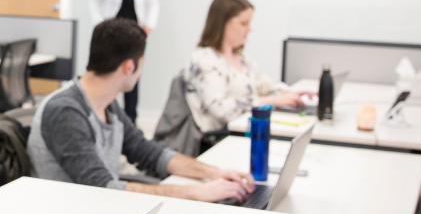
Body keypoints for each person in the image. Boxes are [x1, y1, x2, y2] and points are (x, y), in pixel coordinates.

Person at [28, 18, 255, 203]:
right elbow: (102, 187)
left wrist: (213, 173)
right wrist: (193, 193)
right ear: (129, 66)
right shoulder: (65, 111)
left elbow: (148, 153)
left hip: (99, 209)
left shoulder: (106, 103)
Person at [184, 0, 316, 133]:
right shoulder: (204, 60)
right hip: (219, 136)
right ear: (223, 23)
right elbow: (221, 109)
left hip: (244, 128)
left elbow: (263, 85)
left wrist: (288, 94)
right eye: (243, 23)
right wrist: (274, 100)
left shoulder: (240, 57)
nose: (249, 29)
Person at [88, 0, 158, 125]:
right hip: (112, 34)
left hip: (134, 35)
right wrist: (99, 23)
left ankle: (131, 121)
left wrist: (149, 25)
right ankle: (105, 116)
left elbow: (153, 4)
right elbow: (94, 2)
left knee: (132, 76)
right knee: (109, 73)